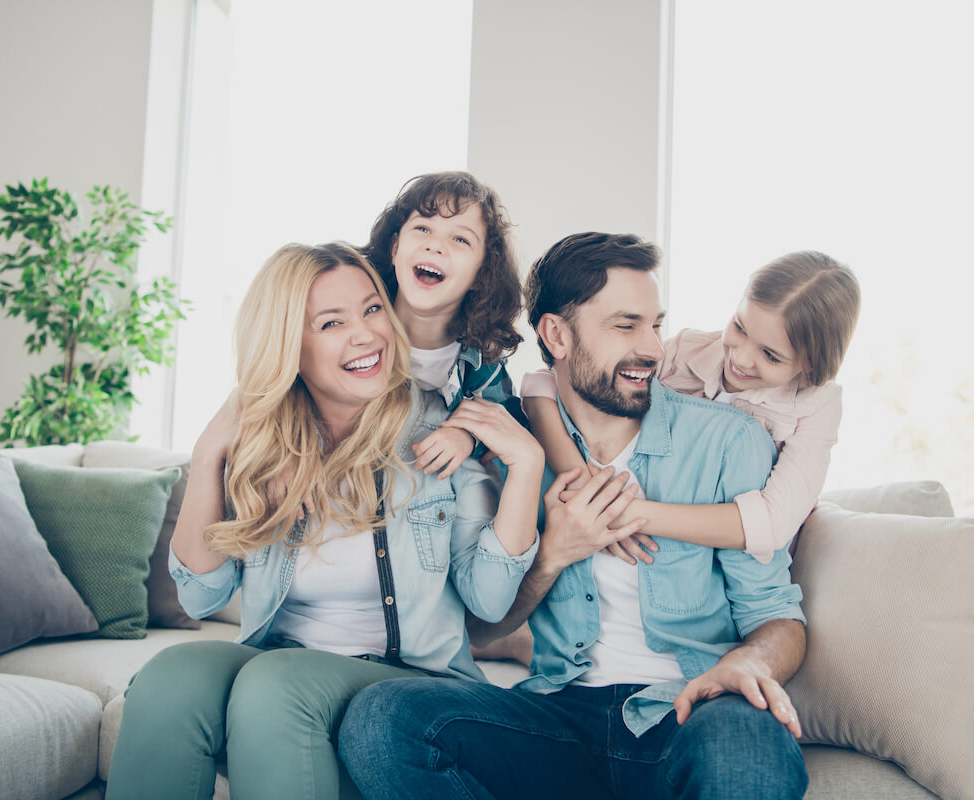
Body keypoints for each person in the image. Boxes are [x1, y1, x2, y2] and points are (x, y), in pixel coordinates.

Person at [337, 232, 809, 800]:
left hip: (689, 708)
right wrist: (553, 552)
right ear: (556, 335)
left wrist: (750, 664)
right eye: (625, 326)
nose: (654, 349)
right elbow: (482, 627)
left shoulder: (729, 441)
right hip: (557, 716)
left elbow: (778, 616)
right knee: (382, 718)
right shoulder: (511, 447)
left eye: (656, 325)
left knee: (748, 749)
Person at [105, 243, 544, 800]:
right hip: (281, 665)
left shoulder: (438, 432)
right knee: (169, 677)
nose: (365, 334)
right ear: (291, 345)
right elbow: (200, 596)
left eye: (373, 309)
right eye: (331, 323)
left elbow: (489, 600)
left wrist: (525, 468)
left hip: (411, 679)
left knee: (276, 682)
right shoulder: (268, 449)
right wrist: (210, 449)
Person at [522, 249, 861, 565]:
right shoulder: (690, 350)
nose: (740, 358)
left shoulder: (818, 405)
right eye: (739, 328)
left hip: (744, 558)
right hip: (672, 548)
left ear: (812, 365)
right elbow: (546, 381)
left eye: (770, 355)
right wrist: (580, 480)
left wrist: (618, 512)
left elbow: (771, 525)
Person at [364, 170, 527, 479]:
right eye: (423, 228)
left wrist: (469, 436)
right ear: (395, 248)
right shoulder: (357, 335)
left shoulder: (481, 366)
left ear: (482, 274)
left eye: (460, 239)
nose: (436, 246)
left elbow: (513, 420)